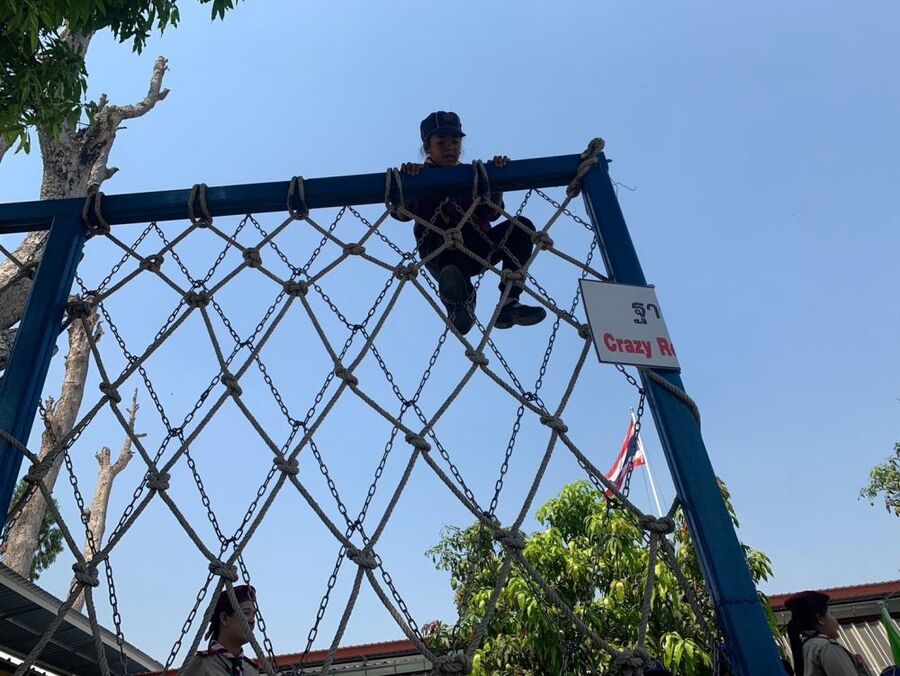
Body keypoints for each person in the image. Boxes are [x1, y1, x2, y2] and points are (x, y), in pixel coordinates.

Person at [395, 110, 547, 335]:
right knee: (451, 269)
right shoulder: (419, 176)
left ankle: (509, 302)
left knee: (521, 226)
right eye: (441, 142)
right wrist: (408, 183)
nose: (450, 148)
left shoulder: (474, 175)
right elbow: (402, 214)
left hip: (476, 246)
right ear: (427, 147)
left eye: (455, 142)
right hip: (439, 251)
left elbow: (491, 213)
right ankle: (460, 305)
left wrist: (495, 178)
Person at [785, 590, 873, 676]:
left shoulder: (805, 647)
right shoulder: (826, 646)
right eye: (831, 614)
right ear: (820, 619)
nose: (835, 620)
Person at [182, 584, 260, 676]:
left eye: (253, 615)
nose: (252, 620)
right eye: (246, 613)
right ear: (224, 618)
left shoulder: (252, 671)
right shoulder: (202, 664)